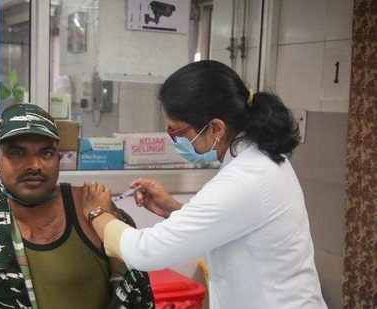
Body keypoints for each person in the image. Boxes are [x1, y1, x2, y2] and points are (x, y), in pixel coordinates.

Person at [81, 60, 328, 308]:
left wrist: (97, 212)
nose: (175, 140)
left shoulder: (245, 179)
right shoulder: (259, 158)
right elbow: (234, 224)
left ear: (216, 128)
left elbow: (145, 252)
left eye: (178, 133)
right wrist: (174, 209)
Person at [0, 103, 154, 308]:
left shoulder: (95, 210)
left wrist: (104, 217)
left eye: (46, 153)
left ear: (58, 159)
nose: (34, 165)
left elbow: (138, 299)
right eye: (17, 153)